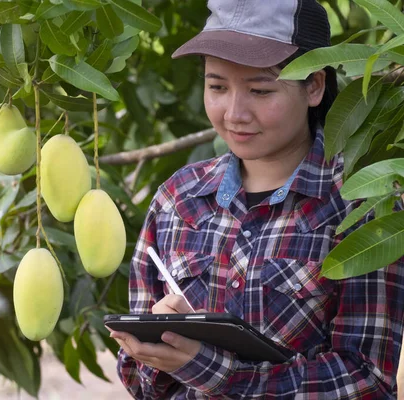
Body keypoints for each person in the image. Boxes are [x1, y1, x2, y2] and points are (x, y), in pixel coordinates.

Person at [108, 0, 404, 398]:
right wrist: (155, 348)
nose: (234, 113)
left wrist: (214, 370)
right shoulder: (178, 201)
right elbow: (135, 377)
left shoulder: (358, 204)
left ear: (314, 85)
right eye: (217, 87)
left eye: (260, 90)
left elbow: (366, 379)